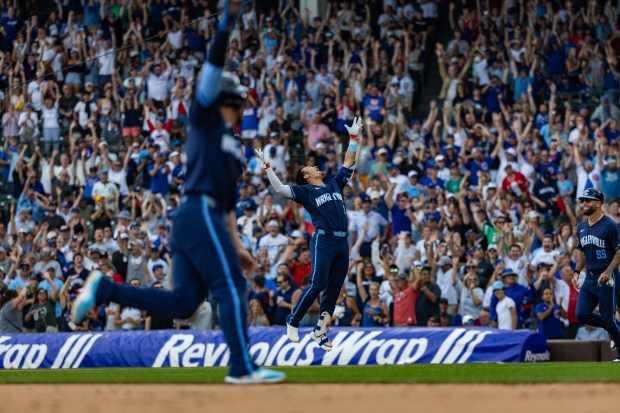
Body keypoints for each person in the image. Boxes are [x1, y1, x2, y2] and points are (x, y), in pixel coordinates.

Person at [72, 0, 285, 384]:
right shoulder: (204, 118)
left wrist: (236, 245)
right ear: (231, 100)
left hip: (199, 220)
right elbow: (213, 67)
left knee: (184, 302)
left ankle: (105, 288)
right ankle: (241, 368)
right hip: (196, 213)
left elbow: (230, 205)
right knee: (229, 286)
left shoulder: (234, 146)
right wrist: (228, 20)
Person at [255, 117, 363, 351]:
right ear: (305, 175)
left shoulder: (334, 184)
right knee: (318, 282)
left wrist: (353, 138)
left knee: (334, 289)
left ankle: (321, 331)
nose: (315, 167)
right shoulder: (305, 191)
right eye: (310, 167)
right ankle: (292, 320)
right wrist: (267, 167)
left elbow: (349, 161)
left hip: (342, 241)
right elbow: (280, 189)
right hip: (323, 238)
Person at [572, 188, 620, 361]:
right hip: (590, 277)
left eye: (588, 200)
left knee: (608, 316)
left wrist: (609, 271)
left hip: (607, 277)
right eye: (582, 201)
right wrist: (577, 271)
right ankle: (614, 328)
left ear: (598, 203)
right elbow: (582, 252)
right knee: (581, 314)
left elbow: (619, 251)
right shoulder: (582, 227)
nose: (584, 203)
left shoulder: (610, 225)